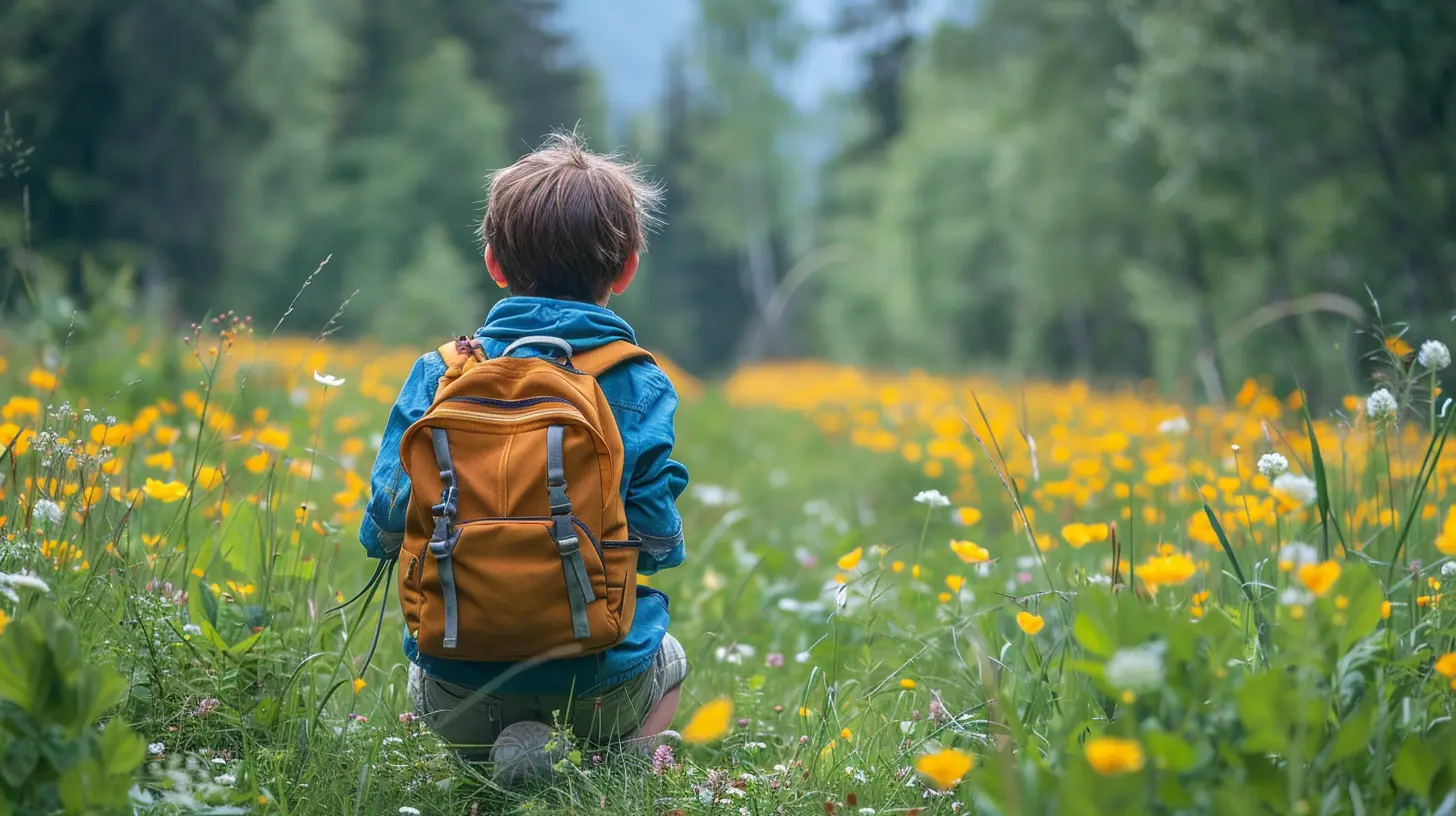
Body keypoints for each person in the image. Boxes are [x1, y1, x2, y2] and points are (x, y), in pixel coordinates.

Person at [358, 132, 689, 780]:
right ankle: (615, 764)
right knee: (668, 654)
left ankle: (491, 761)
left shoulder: (439, 374)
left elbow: (385, 522)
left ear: (493, 263)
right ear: (625, 270)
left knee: (424, 663)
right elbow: (655, 542)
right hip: (597, 685)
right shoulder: (637, 382)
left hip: (461, 685)